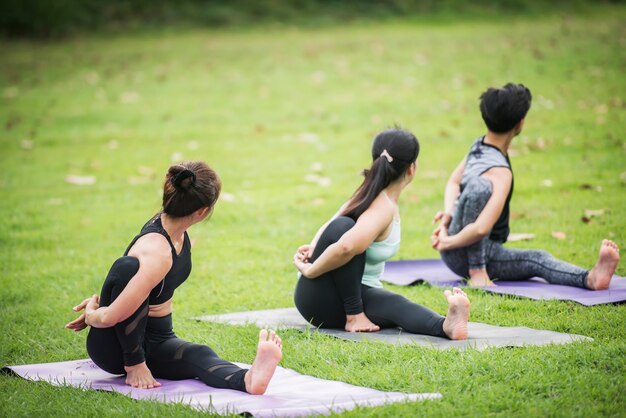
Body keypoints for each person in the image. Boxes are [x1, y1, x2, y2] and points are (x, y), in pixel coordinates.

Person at [66, 161, 282, 392]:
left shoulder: (176, 229)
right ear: (202, 211)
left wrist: (103, 303)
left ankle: (247, 380)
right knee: (127, 266)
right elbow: (109, 317)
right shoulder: (156, 251)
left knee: (199, 353)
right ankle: (134, 363)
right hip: (118, 345)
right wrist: (93, 314)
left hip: (157, 337)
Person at [431, 83, 620, 288]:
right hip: (468, 253)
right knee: (536, 258)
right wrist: (448, 235)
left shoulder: (478, 145)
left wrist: (448, 222)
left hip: (456, 243)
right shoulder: (500, 173)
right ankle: (590, 279)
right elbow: (481, 228)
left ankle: (476, 267)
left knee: (479, 188)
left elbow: (453, 181)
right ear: (520, 124)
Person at [293, 128, 470, 339]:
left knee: (395, 304)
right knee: (345, 229)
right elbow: (345, 243)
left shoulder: (370, 190)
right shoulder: (381, 207)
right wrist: (311, 268)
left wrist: (315, 247)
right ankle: (354, 315)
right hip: (322, 298)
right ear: (412, 168)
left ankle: (446, 326)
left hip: (351, 291)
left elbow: (333, 222)